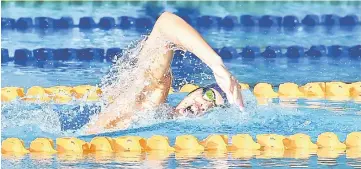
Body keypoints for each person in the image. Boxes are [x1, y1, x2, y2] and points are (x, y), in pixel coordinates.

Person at [85, 12, 244, 134]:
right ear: (193, 92)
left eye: (214, 107)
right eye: (209, 95)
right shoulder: (152, 102)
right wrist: (216, 63)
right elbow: (165, 24)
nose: (206, 105)